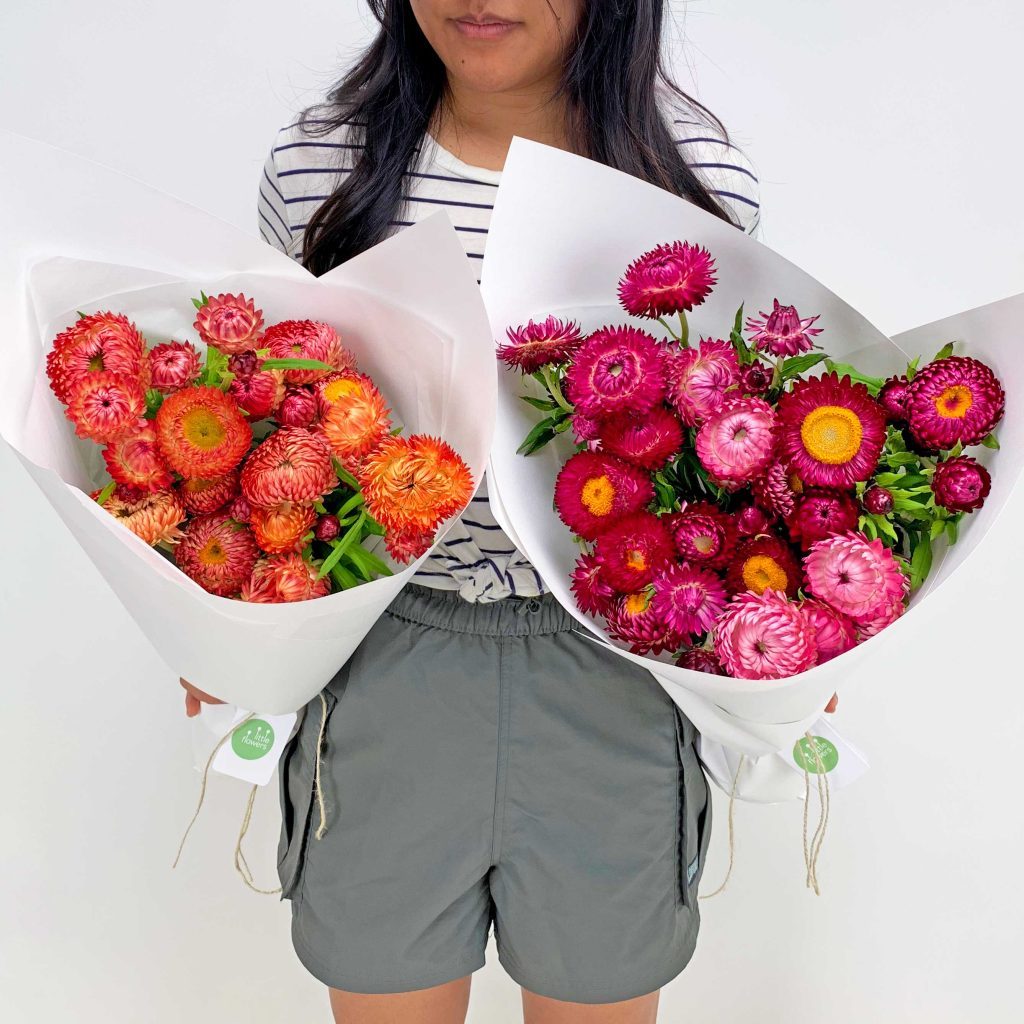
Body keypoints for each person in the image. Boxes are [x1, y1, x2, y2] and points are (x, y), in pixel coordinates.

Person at [184, 2, 825, 1021]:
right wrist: (224, 615)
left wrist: (798, 620)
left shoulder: (694, 179)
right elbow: (266, 409)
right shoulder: (323, 166)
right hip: (382, 659)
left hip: (612, 668)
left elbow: (732, 437)